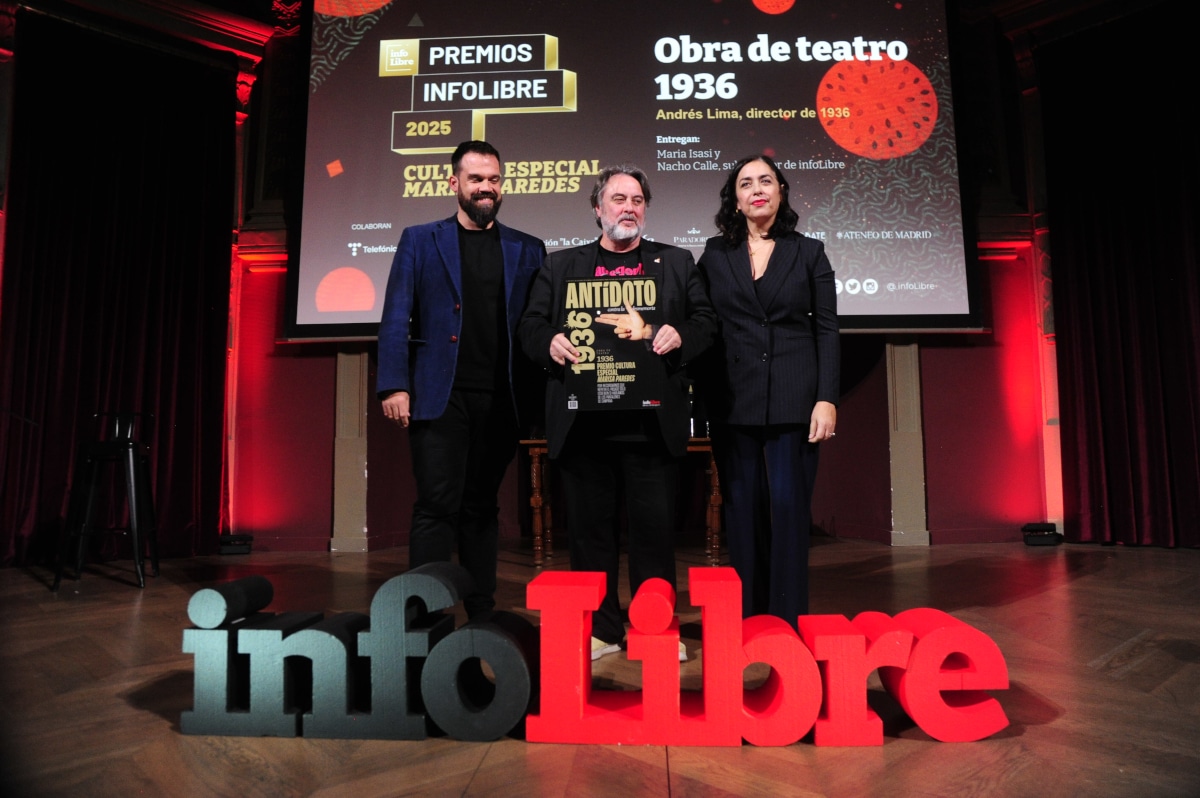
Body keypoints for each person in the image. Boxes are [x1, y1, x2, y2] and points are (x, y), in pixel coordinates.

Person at [518, 165, 716, 661]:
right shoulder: (560, 266)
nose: (629, 208)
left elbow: (706, 322)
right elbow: (530, 326)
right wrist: (550, 342)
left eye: (637, 200)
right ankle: (603, 630)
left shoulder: (676, 262)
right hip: (585, 427)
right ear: (597, 208)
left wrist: (680, 335)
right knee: (589, 538)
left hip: (651, 426)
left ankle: (654, 629)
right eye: (618, 199)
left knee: (654, 536)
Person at [377, 140, 546, 619]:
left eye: (493, 179)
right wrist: (393, 384)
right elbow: (396, 315)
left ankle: (480, 613)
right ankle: (422, 616)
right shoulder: (419, 239)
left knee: (482, 506)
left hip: (501, 399)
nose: (486, 187)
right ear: (455, 183)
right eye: (476, 179)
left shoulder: (528, 248)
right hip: (438, 396)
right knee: (436, 504)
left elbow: (536, 325)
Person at [695, 154, 840, 628]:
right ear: (735, 200)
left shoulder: (809, 252)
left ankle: (787, 618)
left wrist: (826, 398)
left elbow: (827, 330)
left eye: (765, 181)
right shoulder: (715, 254)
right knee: (742, 510)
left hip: (795, 399)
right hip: (733, 398)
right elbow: (701, 322)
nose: (757, 189)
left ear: (780, 192)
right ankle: (749, 617)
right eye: (746, 183)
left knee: (789, 509)